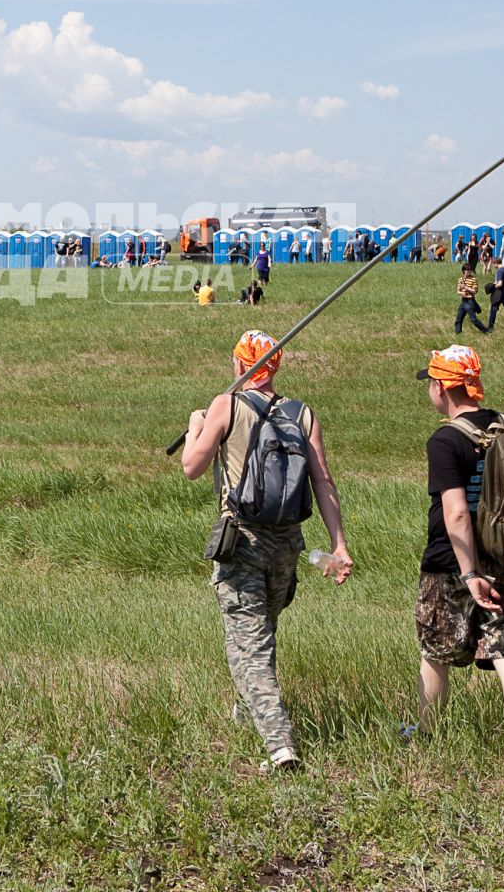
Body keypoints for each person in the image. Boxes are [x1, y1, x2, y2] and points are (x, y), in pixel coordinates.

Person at [179, 330, 351, 773]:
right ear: (276, 367)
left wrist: (198, 423)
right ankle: (245, 715)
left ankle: (281, 747)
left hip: (242, 542)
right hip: (287, 546)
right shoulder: (301, 414)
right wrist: (339, 544)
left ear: (241, 366)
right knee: (258, 635)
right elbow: (324, 483)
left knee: (251, 647)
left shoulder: (226, 405)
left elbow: (191, 468)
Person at [412, 346, 504, 769]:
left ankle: (425, 736)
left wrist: (469, 575)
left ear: (442, 387)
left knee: (435, 651)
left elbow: (456, 512)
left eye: (431, 382)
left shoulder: (446, 439)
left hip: (452, 564)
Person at [454, 264, 488, 334]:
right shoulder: (460, 279)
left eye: (470, 270)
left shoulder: (473, 279)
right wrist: (461, 293)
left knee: (473, 320)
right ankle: (458, 333)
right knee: (458, 319)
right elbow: (458, 290)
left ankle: (485, 331)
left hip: (470, 301)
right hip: (463, 301)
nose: (469, 271)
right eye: (467, 270)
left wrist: (465, 287)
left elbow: (474, 291)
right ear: (464, 271)